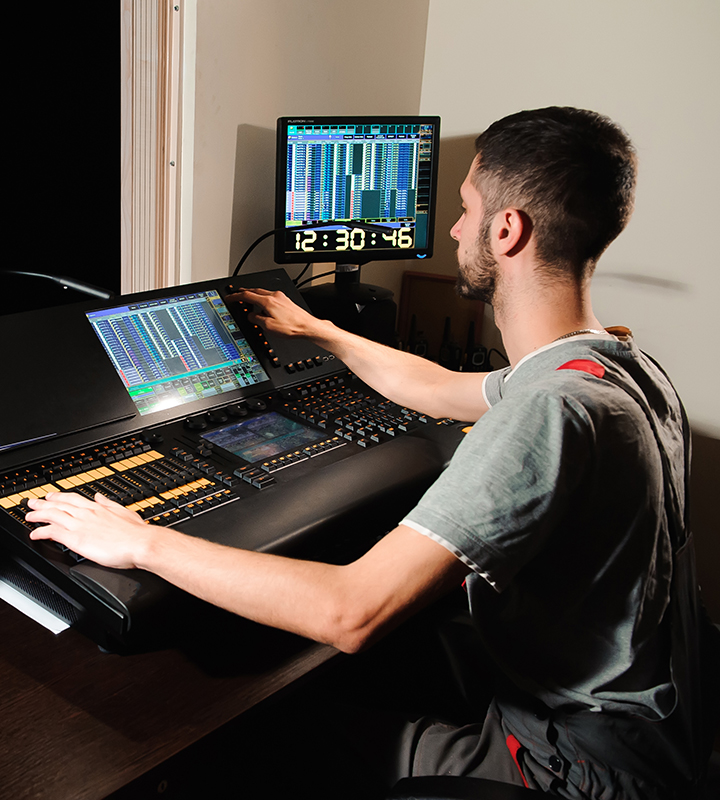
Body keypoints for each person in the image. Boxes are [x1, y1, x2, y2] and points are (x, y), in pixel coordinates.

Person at [26, 107, 713, 798]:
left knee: (254, 744)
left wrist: (141, 543)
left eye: (465, 209)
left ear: (508, 231)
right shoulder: (613, 366)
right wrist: (320, 330)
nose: (453, 229)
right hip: (652, 738)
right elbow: (443, 389)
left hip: (573, 769)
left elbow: (349, 613)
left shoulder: (551, 411)